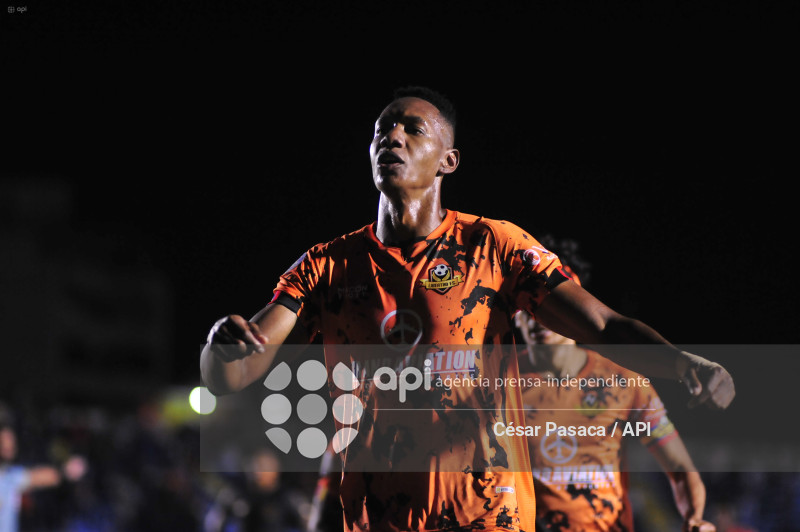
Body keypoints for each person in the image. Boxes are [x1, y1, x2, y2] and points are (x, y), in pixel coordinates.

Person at [200, 86, 734, 532]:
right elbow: (235, 372)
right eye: (384, 129)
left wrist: (685, 362)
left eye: (413, 129)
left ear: (448, 161)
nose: (393, 137)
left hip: (486, 515)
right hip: (377, 519)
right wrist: (217, 350)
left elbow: (601, 325)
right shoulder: (327, 266)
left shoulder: (494, 247)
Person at [512, 237, 714, 532]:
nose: (539, 320)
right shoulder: (498, 381)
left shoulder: (624, 380)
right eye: (529, 309)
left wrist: (694, 517)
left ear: (574, 310)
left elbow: (681, 470)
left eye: (548, 307)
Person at [0, 420, 87, 532]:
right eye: (3, 441)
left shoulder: (10, 475)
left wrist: (65, 471)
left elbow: (39, 477)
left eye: (11, 440)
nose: (9, 445)